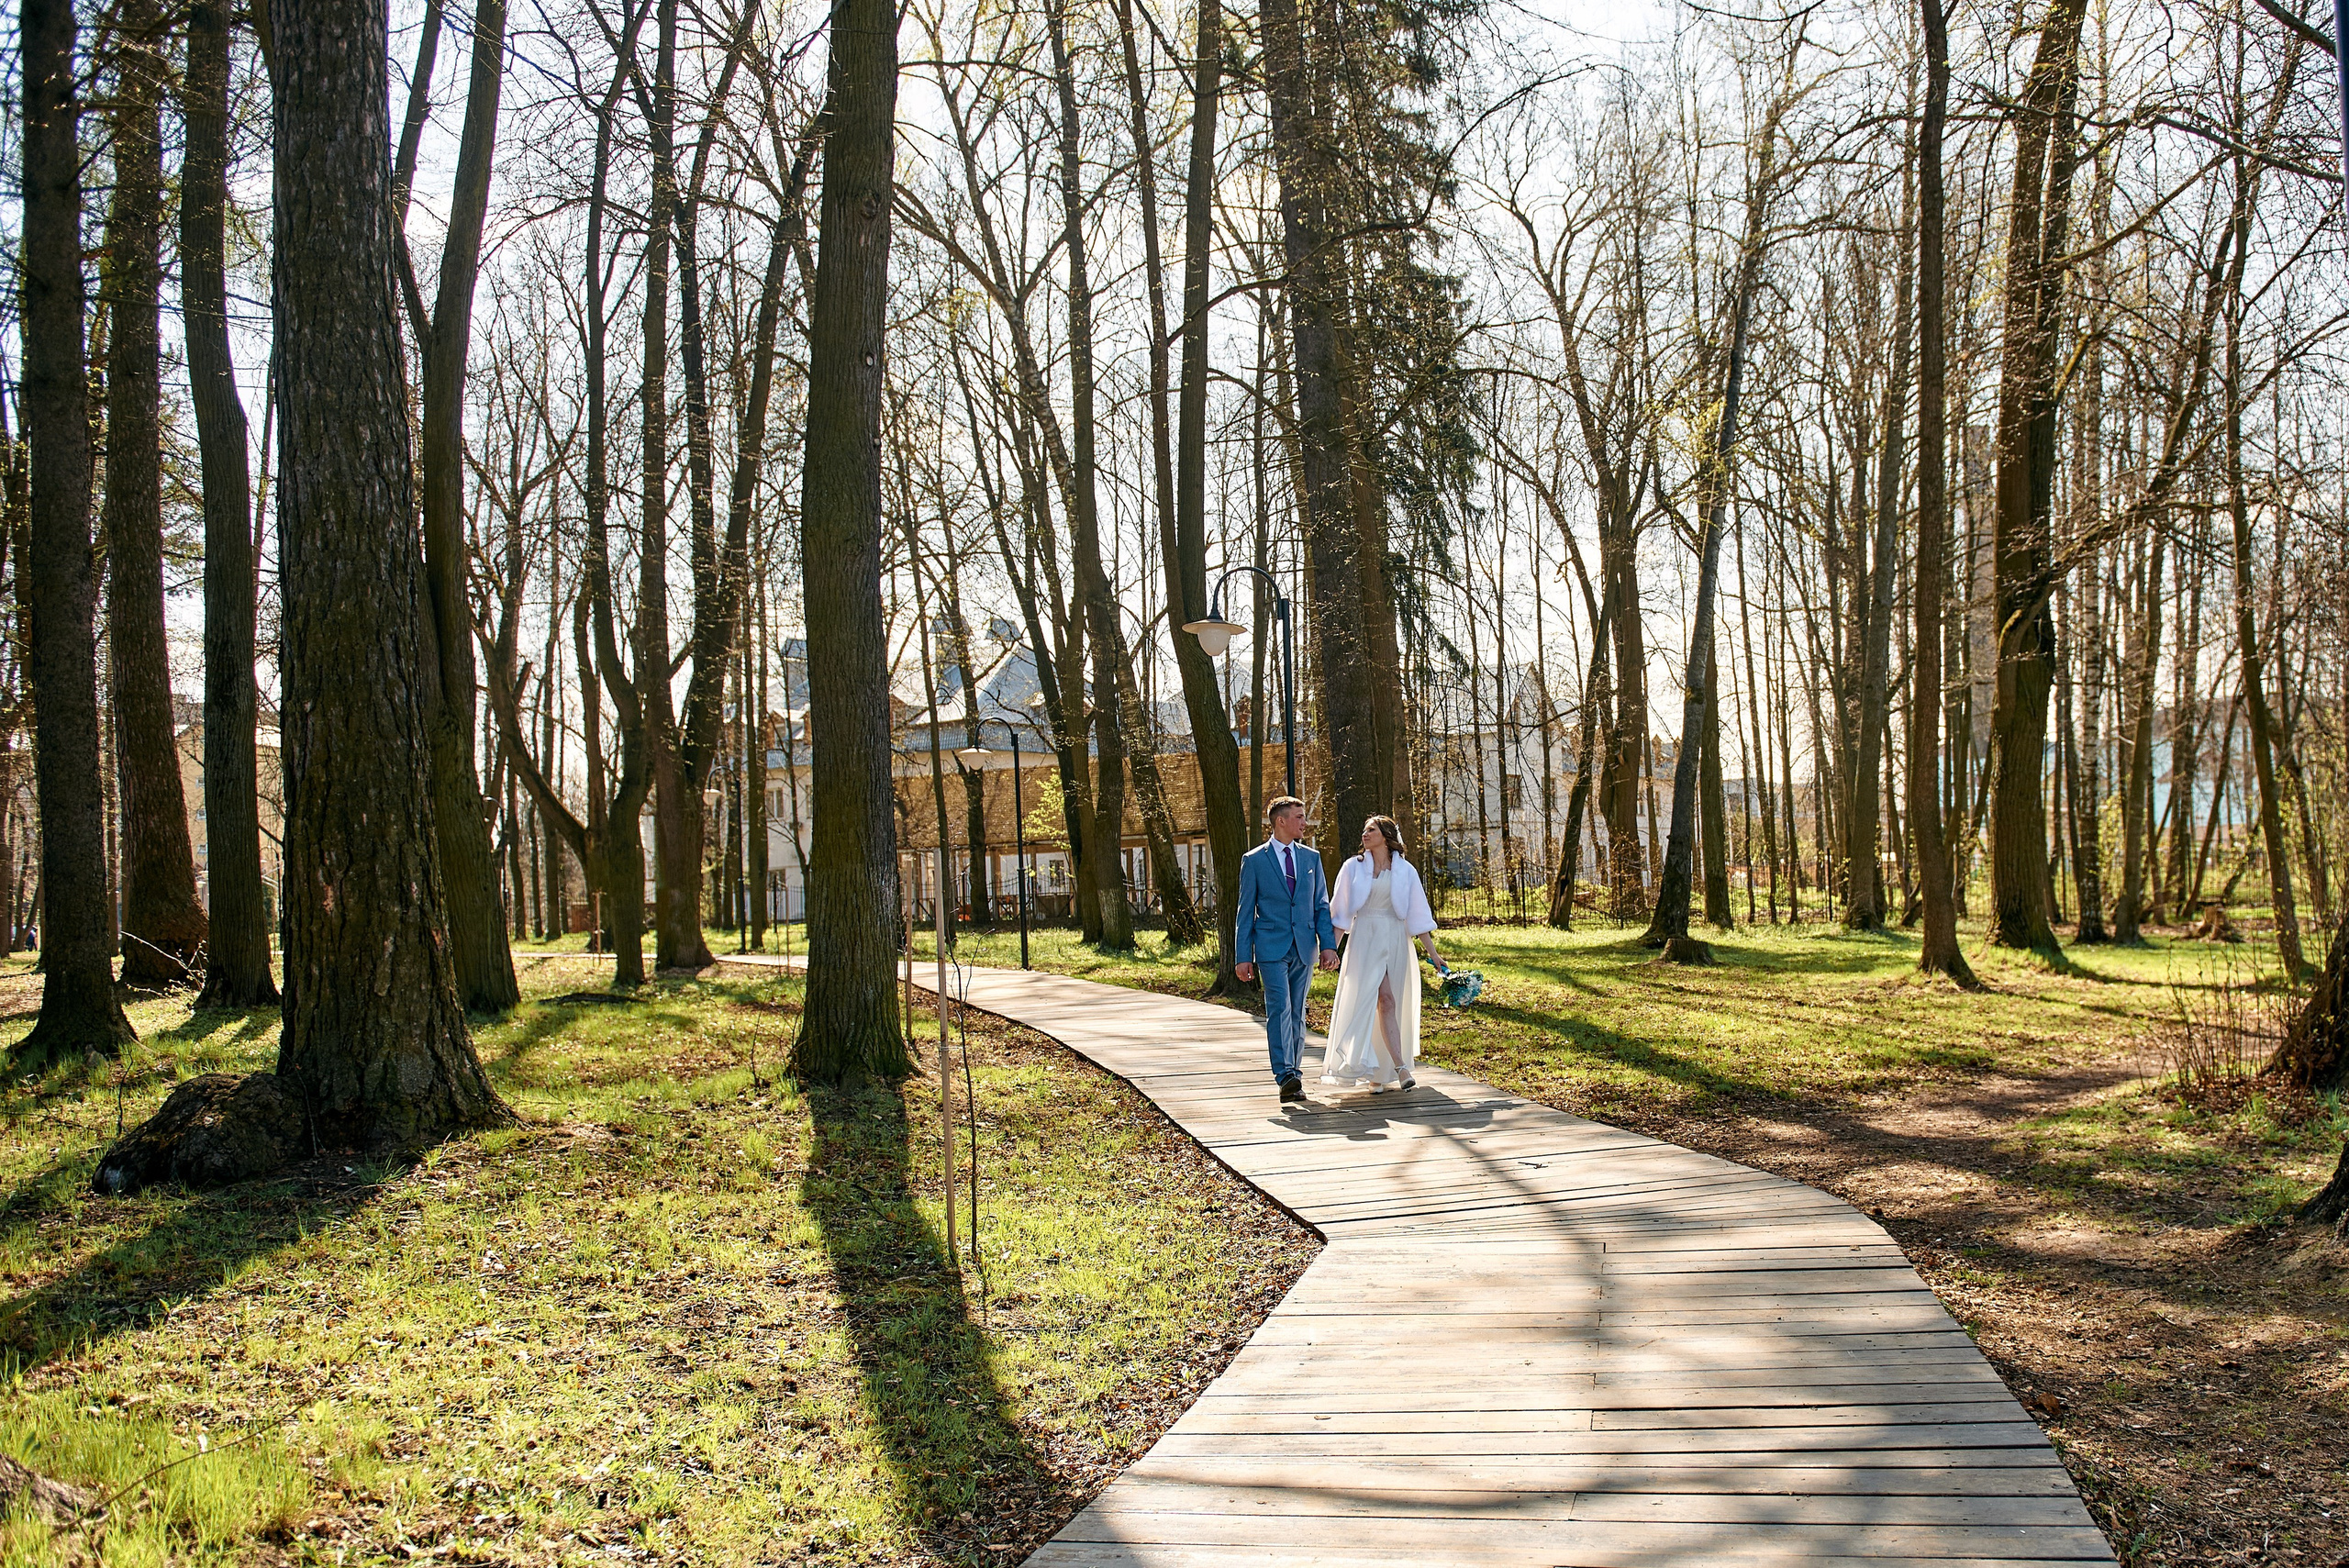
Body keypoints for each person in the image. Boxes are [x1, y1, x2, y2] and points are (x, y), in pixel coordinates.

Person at [1322, 815, 1443, 1093]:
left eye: (1371, 830)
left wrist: (1433, 954)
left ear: (1387, 837)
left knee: (1389, 1003)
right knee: (1373, 1000)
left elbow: (1418, 916)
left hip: (1396, 938)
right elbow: (1340, 913)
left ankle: (1380, 1072)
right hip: (1365, 938)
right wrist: (1331, 950)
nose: (1365, 834)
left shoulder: (1406, 871)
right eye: (1364, 830)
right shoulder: (1353, 868)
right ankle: (1398, 1067)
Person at [1233, 796, 1337, 1104]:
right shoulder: (1254, 860)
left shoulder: (1311, 859)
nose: (1304, 823)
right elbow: (1245, 910)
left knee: (1297, 1012)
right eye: (1299, 817)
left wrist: (1328, 945)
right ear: (1281, 821)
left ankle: (1294, 1074)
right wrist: (1243, 956)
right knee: (1280, 1007)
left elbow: (1321, 905)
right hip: (1270, 946)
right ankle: (1285, 1075)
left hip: (1304, 947)